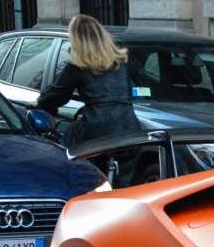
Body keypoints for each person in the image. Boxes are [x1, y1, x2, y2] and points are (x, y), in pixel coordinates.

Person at [37, 14, 141, 147]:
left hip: (96, 126)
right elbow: (134, 88)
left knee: (67, 148)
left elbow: (57, 94)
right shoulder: (120, 61)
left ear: (76, 39)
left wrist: (42, 102)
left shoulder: (78, 65)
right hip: (128, 125)